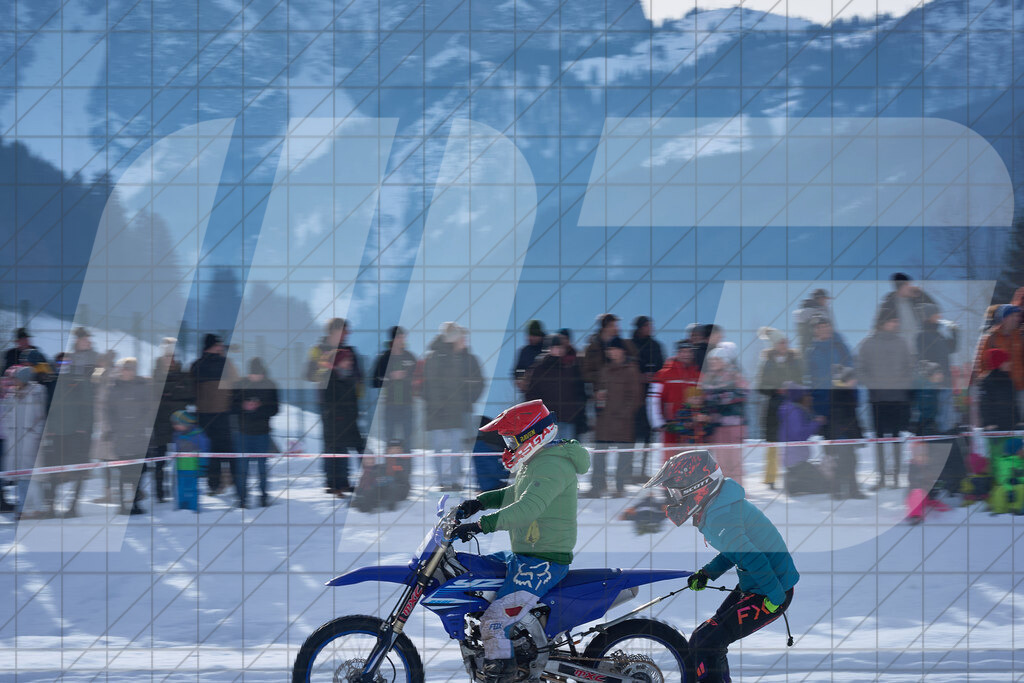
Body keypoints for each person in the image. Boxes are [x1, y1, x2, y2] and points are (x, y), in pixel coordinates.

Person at [450, 399, 590, 683]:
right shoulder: (539, 459)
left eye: (511, 439)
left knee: (494, 622)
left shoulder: (552, 464)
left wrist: (480, 525)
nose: (508, 446)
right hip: (528, 553)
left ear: (531, 435)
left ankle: (504, 675)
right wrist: (479, 502)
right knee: (472, 569)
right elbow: (515, 494)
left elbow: (527, 508)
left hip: (545, 560)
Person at [643, 449, 798, 683]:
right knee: (703, 639)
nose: (673, 498)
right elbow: (735, 552)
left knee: (707, 642)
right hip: (760, 584)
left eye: (675, 492)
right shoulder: (718, 507)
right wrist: (708, 573)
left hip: (772, 590)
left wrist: (775, 597)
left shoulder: (719, 516)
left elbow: (753, 558)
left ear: (696, 486)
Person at [422, 322, 484, 491]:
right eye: (460, 336)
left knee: (457, 446)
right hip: (437, 411)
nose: (464, 340)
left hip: (457, 411)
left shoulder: (466, 358)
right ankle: (442, 481)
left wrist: (467, 400)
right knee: (439, 447)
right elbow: (431, 386)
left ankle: (456, 481)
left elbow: (477, 383)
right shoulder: (436, 357)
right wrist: (437, 407)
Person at [44, 326, 98, 517]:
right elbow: (47, 408)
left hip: (76, 434)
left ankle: (73, 506)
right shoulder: (51, 383)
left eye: (66, 362)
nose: (63, 365)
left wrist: (82, 429)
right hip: (56, 433)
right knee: (53, 470)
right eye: (59, 363)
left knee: (78, 470)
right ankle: (51, 507)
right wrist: (49, 428)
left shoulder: (79, 380)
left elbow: (87, 406)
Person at [307, 318, 364, 496]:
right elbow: (309, 375)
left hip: (349, 404)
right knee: (333, 445)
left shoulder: (350, 351)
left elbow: (359, 375)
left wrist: (351, 381)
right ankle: (332, 484)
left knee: (349, 444)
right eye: (345, 331)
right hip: (329, 405)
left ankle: (344, 483)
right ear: (334, 332)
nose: (348, 334)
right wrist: (328, 366)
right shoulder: (318, 350)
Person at [857, 311, 913, 490]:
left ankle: (896, 477)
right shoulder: (868, 343)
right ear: (882, 322)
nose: (895, 324)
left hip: (898, 398)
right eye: (892, 321)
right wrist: (874, 384)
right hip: (878, 399)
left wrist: (903, 384)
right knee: (879, 440)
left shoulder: (902, 342)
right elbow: (860, 370)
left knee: (897, 439)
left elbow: (910, 367)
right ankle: (881, 477)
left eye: (897, 321)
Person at [586, 338, 642, 497]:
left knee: (623, 456)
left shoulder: (631, 370)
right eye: (609, 350)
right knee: (599, 454)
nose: (611, 352)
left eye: (614, 349)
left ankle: (619, 487)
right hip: (604, 420)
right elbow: (600, 392)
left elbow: (635, 397)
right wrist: (598, 398)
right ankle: (597, 486)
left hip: (623, 422)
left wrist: (624, 415)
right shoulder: (605, 369)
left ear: (622, 351)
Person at [754, 327, 803, 491]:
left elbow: (801, 381)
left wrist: (792, 389)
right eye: (781, 342)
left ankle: (795, 476)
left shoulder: (795, 360)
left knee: (793, 444)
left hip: (792, 407)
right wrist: (776, 390)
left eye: (786, 341)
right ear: (774, 344)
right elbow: (760, 386)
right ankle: (770, 478)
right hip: (773, 408)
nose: (785, 345)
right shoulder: (767, 363)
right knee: (772, 444)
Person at [191, 333, 240, 495]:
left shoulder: (197, 365)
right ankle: (234, 481)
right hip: (224, 413)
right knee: (229, 448)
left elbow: (192, 391)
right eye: (219, 344)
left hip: (204, 414)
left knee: (211, 451)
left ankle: (214, 484)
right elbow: (237, 386)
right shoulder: (226, 364)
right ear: (213, 345)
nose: (221, 346)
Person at [106, 358, 154, 515]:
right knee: (122, 471)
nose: (128, 371)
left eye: (131, 368)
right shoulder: (113, 388)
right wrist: (115, 428)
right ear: (121, 370)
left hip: (138, 436)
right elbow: (109, 411)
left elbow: (149, 410)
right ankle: (121, 504)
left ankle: (135, 503)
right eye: (126, 368)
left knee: (137, 472)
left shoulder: (142, 387)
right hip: (121, 436)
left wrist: (141, 425)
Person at [148, 338, 193, 503]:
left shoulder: (183, 375)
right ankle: (160, 493)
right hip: (159, 424)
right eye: (167, 356)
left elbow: (189, 396)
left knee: (183, 460)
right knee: (160, 461)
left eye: (173, 356)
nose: (170, 359)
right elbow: (153, 398)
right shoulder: (155, 376)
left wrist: (169, 394)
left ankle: (182, 492)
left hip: (180, 425)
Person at [1, 366, 47, 519]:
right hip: (15, 440)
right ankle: (23, 508)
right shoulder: (12, 394)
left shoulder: (37, 391)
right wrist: (10, 432)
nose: (14, 382)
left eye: (17, 379)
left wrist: (35, 434)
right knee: (21, 476)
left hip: (30, 439)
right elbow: (5, 414)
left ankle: (35, 508)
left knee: (31, 477)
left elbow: (40, 415)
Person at [233, 357, 280, 508]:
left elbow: (275, 409)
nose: (255, 378)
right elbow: (231, 407)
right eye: (253, 375)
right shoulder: (240, 384)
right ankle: (242, 499)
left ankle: (263, 497)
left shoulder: (270, 385)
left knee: (262, 468)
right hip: (243, 434)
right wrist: (243, 406)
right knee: (242, 469)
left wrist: (258, 408)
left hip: (262, 434)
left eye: (258, 375)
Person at [524, 333, 586, 441]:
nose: (557, 350)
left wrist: (576, 413)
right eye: (554, 347)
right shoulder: (539, 370)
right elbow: (531, 395)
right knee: (551, 454)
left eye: (560, 347)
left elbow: (578, 393)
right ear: (548, 349)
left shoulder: (569, 369)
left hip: (568, 420)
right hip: (547, 422)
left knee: (567, 454)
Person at [700, 342, 747, 485]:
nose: (713, 363)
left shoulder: (734, 375)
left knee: (734, 460)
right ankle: (726, 491)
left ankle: (738, 490)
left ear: (724, 361)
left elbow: (743, 393)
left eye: (717, 360)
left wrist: (722, 397)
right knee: (721, 461)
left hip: (734, 424)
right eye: (711, 360)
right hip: (717, 425)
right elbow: (706, 397)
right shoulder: (708, 378)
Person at [648, 341, 703, 457]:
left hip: (692, 426)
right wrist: (658, 422)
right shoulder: (663, 374)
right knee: (670, 458)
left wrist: (702, 418)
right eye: (683, 352)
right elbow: (653, 399)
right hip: (671, 425)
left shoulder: (698, 375)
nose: (686, 354)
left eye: (689, 352)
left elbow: (704, 399)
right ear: (677, 353)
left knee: (692, 458)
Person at [371, 326, 417, 448]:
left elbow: (418, 378)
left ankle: (408, 466)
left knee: (408, 442)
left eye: (404, 337)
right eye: (400, 337)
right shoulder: (384, 358)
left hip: (407, 405)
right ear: (393, 339)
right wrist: (390, 377)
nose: (403, 340)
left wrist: (409, 380)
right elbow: (374, 381)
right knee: (390, 441)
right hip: (390, 406)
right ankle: (389, 466)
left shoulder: (410, 357)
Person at [631, 316, 665, 480]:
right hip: (632, 397)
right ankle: (628, 472)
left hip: (650, 397)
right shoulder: (630, 344)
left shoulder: (656, 346)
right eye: (647, 326)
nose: (650, 328)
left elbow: (662, 368)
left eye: (651, 326)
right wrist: (639, 377)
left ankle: (642, 472)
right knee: (631, 438)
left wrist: (654, 376)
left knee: (647, 438)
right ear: (639, 327)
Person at [778, 383, 827, 496]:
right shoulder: (794, 411)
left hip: (793, 459)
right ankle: (793, 485)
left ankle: (794, 478)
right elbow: (799, 434)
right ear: (799, 397)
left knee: (821, 481)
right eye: (807, 395)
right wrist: (816, 423)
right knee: (824, 486)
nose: (810, 398)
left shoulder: (790, 408)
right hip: (796, 460)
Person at [916, 303, 958, 431]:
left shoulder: (939, 335)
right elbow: (923, 360)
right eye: (937, 314)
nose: (940, 316)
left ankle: (948, 443)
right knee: (938, 419)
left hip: (945, 381)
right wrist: (934, 373)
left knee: (948, 419)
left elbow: (952, 348)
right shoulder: (922, 335)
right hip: (933, 384)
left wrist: (954, 333)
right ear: (929, 316)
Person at [827, 367, 866, 500]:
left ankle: (851, 490)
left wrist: (859, 435)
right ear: (847, 379)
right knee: (843, 463)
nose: (855, 381)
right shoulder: (838, 392)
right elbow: (840, 418)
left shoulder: (848, 392)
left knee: (851, 462)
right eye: (853, 379)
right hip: (841, 436)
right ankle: (837, 491)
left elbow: (853, 416)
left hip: (847, 435)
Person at [875, 272, 937, 353]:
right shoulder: (888, 305)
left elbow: (934, 312)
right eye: (908, 284)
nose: (911, 287)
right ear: (902, 286)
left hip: (920, 351)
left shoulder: (916, 301)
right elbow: (878, 328)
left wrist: (921, 294)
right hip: (899, 353)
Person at [170, 410, 210, 512]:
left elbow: (204, 451)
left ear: (186, 423)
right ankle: (182, 507)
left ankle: (193, 508)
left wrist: (202, 466)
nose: (175, 426)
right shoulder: (177, 435)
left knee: (192, 488)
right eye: (174, 424)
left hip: (193, 467)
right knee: (180, 488)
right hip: (179, 467)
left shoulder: (198, 435)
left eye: (177, 424)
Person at [979, 348, 1018, 431]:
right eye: (1006, 361)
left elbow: (1014, 402)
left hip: (1010, 425)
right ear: (999, 363)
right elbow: (984, 405)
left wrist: (1017, 420)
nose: (1010, 363)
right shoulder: (987, 382)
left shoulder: (1009, 380)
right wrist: (989, 423)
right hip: (995, 427)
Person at [514, 320, 546, 393]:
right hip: (531, 393)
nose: (531, 338)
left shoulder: (549, 348)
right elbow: (519, 369)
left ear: (539, 335)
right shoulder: (525, 352)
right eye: (529, 336)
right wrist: (520, 379)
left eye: (534, 336)